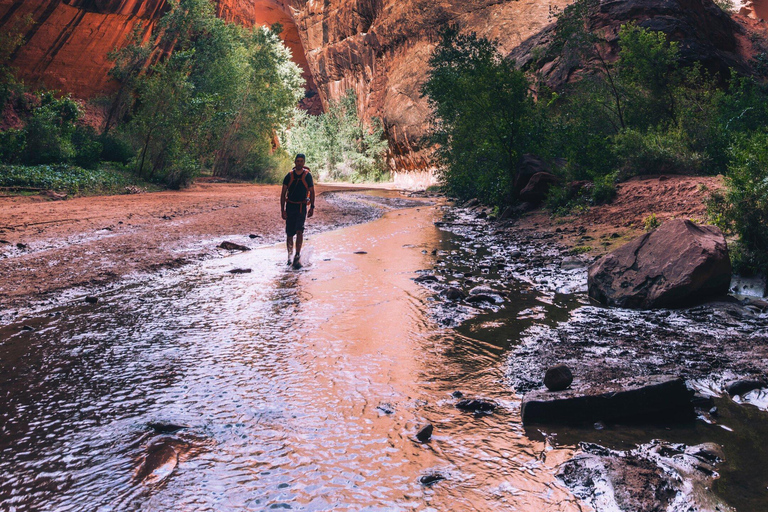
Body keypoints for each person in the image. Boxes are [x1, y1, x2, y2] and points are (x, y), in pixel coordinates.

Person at [281, 154, 315, 267]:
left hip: (302, 207)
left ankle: (297, 255)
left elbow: (312, 191)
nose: (299, 163)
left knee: (300, 231)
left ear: (304, 163)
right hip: (290, 207)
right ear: (295, 162)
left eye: (301, 161)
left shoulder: (307, 176)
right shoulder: (289, 176)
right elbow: (283, 194)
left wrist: (312, 207)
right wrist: (282, 210)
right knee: (290, 234)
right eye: (297, 161)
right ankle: (289, 257)